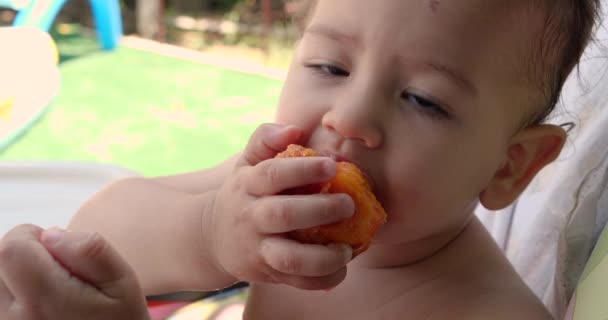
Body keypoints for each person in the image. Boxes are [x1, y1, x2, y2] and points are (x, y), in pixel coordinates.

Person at [0, 0, 601, 318]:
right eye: (330, 67)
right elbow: (90, 228)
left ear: (510, 167)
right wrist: (208, 232)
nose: (348, 119)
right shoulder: (265, 197)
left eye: (423, 99)